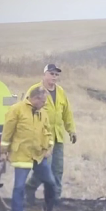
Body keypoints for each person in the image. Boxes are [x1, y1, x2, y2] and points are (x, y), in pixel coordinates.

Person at [1, 86, 57, 211]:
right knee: (19, 187)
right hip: (22, 155)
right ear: (35, 98)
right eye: (43, 101)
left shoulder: (43, 113)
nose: (44, 104)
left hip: (39, 156)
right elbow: (7, 132)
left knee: (51, 183)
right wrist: (3, 152)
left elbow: (48, 132)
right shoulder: (16, 110)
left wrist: (49, 148)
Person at [25, 63, 76, 200]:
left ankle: (54, 199)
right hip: (42, 138)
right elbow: (26, 112)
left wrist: (71, 130)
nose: (54, 77)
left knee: (57, 169)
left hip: (58, 137)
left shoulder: (60, 92)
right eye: (51, 74)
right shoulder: (35, 90)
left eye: (56, 74)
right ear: (44, 75)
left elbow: (67, 113)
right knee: (44, 168)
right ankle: (29, 188)